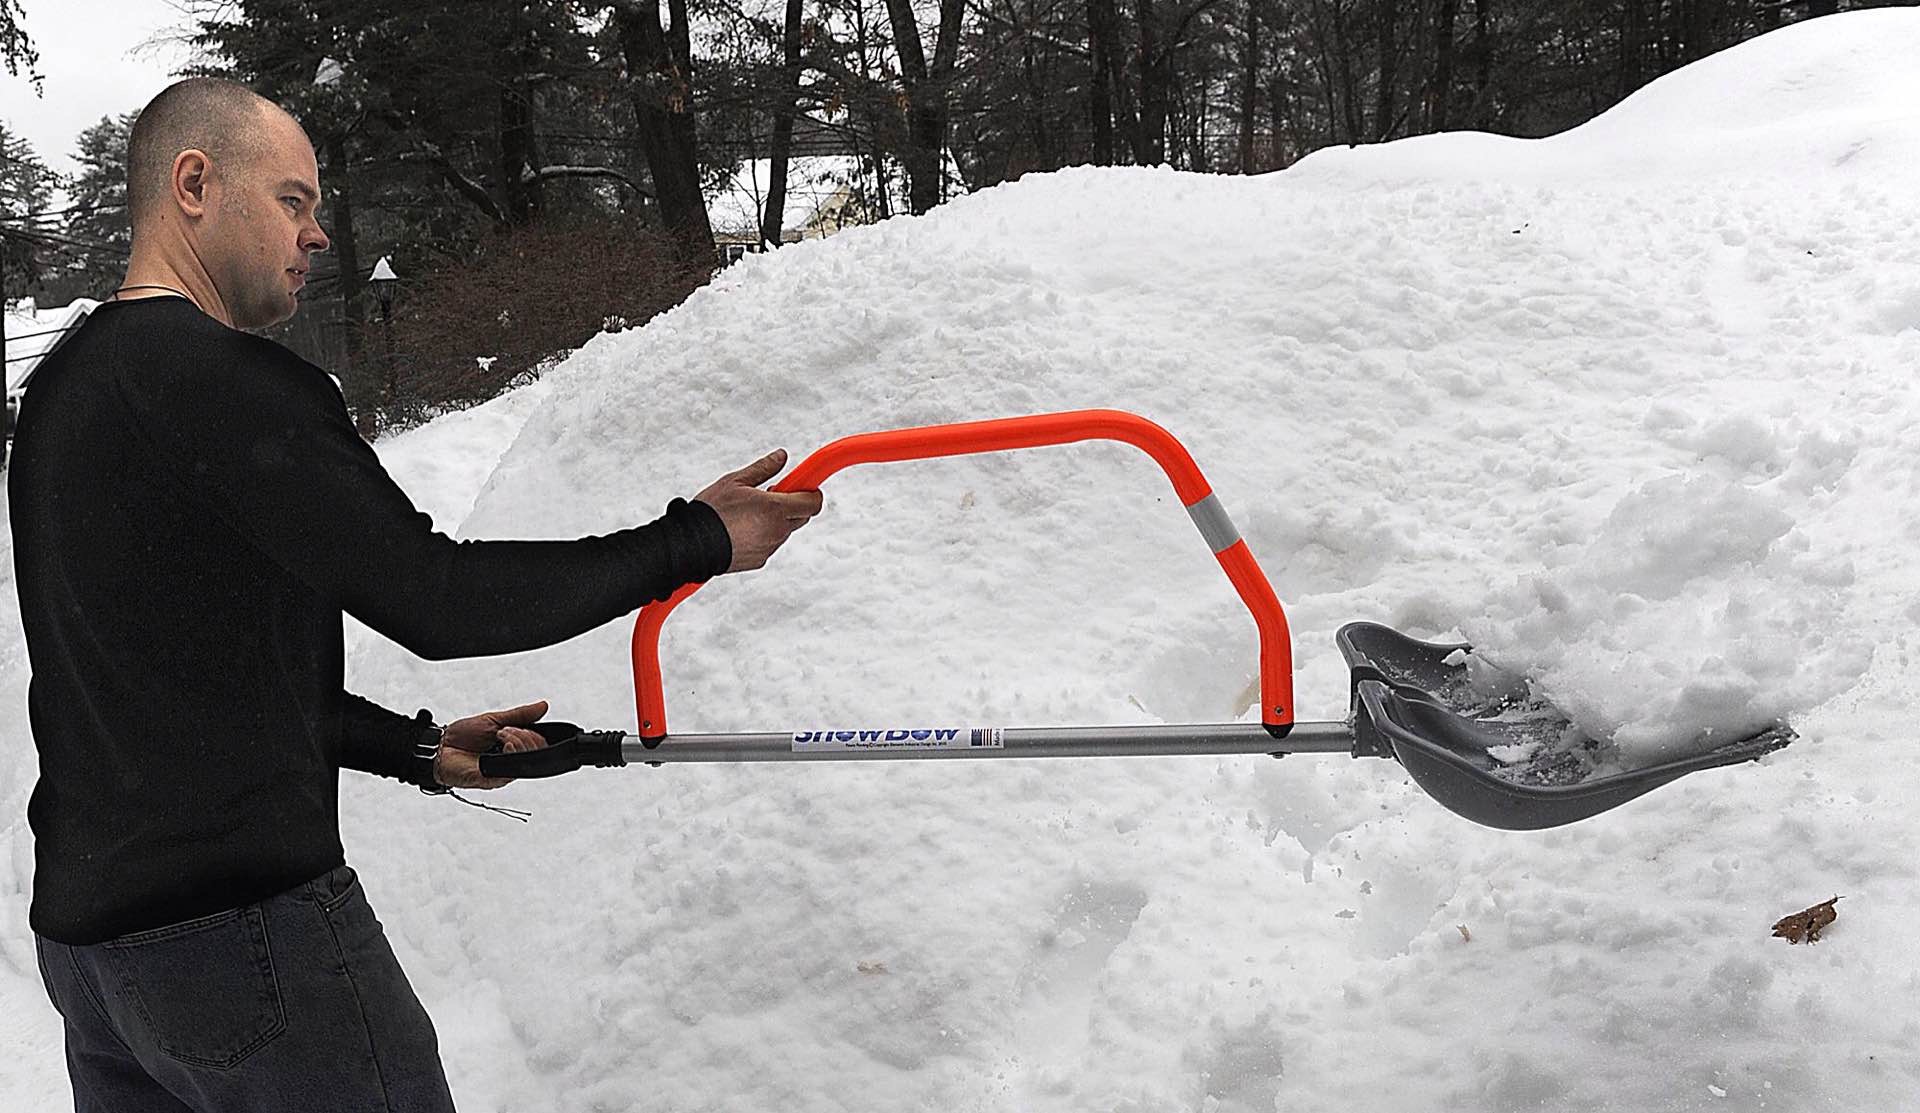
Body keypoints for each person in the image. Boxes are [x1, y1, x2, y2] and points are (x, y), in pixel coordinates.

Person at [7, 77, 822, 1112]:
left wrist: (415, 750)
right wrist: (698, 539)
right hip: (248, 941)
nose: (320, 235)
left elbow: (173, 671)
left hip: (96, 963)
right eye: (295, 200)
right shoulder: (223, 381)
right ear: (196, 183)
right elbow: (438, 598)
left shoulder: (65, 392)